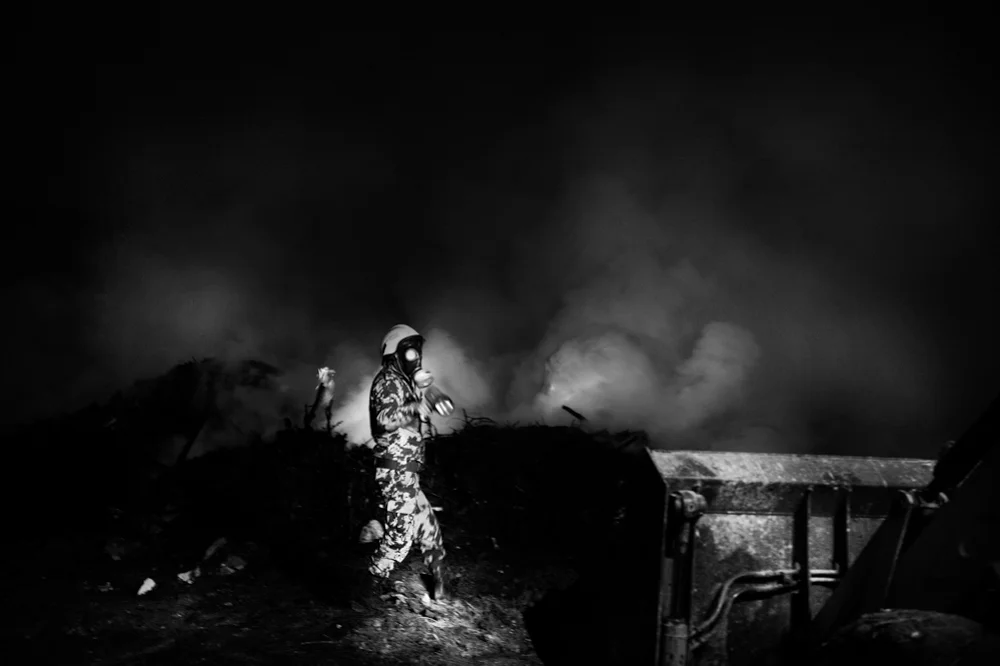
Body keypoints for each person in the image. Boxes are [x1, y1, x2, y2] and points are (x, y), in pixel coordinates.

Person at [365, 324, 454, 601]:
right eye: (410, 351)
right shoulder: (387, 381)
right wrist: (417, 407)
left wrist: (428, 396)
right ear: (395, 354)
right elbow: (384, 419)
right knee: (399, 541)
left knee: (429, 527)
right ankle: (367, 585)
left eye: (418, 351)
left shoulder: (406, 383)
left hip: (407, 473)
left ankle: (439, 580)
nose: (416, 357)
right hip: (395, 472)